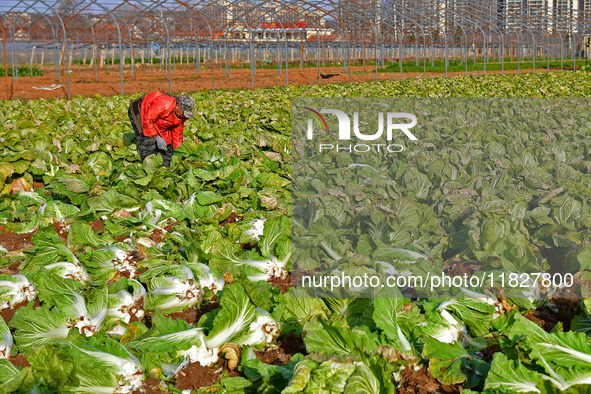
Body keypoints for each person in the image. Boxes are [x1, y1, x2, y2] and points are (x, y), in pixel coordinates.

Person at [128, 92, 195, 167]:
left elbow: (177, 131)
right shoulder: (164, 104)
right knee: (147, 141)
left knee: (167, 147)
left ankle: (165, 168)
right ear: (177, 106)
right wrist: (157, 137)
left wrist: (178, 151)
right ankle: (149, 168)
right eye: (183, 113)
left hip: (158, 118)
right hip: (141, 110)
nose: (184, 115)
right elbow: (148, 120)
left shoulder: (182, 114)